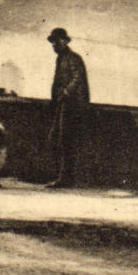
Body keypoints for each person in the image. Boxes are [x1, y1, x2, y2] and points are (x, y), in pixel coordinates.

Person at [45, 27, 89, 188]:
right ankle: (61, 176)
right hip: (62, 104)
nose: (54, 45)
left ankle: (65, 178)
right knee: (55, 139)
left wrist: (65, 92)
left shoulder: (73, 58)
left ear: (64, 41)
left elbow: (77, 78)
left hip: (72, 106)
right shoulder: (61, 59)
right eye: (53, 42)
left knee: (65, 141)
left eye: (56, 41)